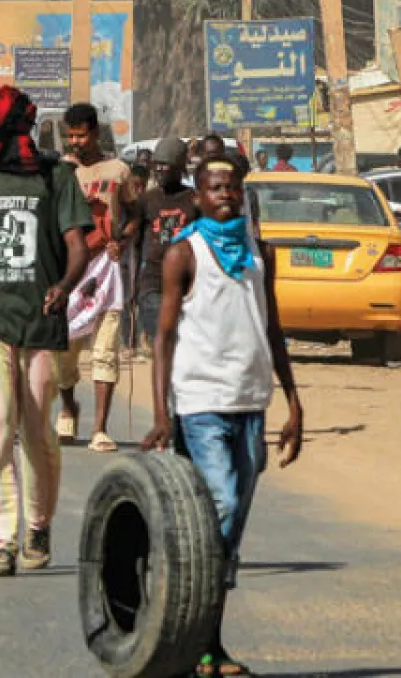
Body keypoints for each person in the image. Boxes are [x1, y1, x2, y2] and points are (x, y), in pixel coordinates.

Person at [142, 155, 303, 678]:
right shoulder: (184, 253)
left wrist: (294, 401)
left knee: (227, 537)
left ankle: (207, 643)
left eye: (232, 187)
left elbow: (272, 325)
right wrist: (162, 411)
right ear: (198, 196)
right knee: (221, 508)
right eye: (215, 188)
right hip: (201, 404)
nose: (225, 195)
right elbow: (163, 337)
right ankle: (181, 627)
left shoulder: (259, 252)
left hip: (251, 403)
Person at [0, 85, 92, 576]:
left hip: (40, 321)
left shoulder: (58, 177)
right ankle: (1, 541)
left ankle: (38, 525)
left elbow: (77, 246)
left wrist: (64, 286)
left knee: (37, 433)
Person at [55, 102, 136, 452]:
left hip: (105, 267)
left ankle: (100, 428)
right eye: (70, 136)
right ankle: (69, 406)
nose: (75, 142)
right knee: (65, 352)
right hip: (70, 267)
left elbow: (135, 214)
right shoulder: (61, 172)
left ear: (95, 133)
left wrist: (123, 240)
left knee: (105, 349)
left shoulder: (118, 171)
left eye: (81, 135)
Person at [132, 138, 197, 352]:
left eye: (165, 164)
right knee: (164, 343)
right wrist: (133, 287)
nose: (159, 169)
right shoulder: (147, 200)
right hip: (153, 283)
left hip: (187, 287)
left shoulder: (194, 201)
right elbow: (136, 244)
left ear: (179, 168)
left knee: (185, 347)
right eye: (156, 164)